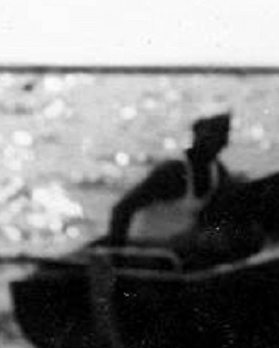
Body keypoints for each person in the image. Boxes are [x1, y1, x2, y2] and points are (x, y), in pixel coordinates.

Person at [106, 112, 263, 264]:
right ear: (197, 131)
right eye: (215, 132)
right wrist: (117, 260)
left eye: (224, 133)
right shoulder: (173, 172)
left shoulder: (218, 171)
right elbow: (121, 210)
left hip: (183, 248)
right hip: (151, 250)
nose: (222, 140)